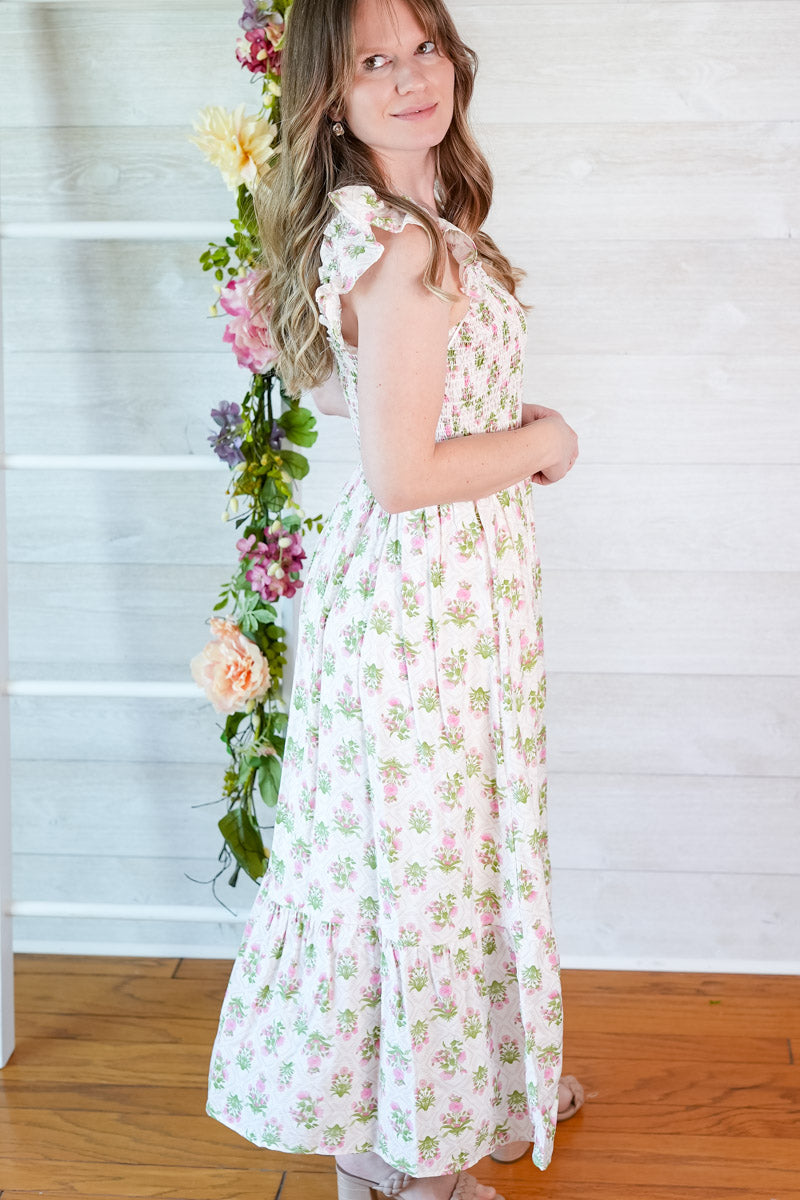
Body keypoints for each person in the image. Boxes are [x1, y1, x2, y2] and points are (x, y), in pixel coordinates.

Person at [205, 0, 583, 1197]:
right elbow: (405, 474)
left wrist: (504, 428)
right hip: (422, 606)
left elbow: (423, 426)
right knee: (420, 869)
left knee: (423, 857)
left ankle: (434, 1105)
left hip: (436, 597)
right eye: (373, 60)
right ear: (331, 95)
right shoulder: (404, 246)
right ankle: (413, 1165)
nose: (411, 76)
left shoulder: (411, 220)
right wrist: (548, 442)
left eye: (422, 47)